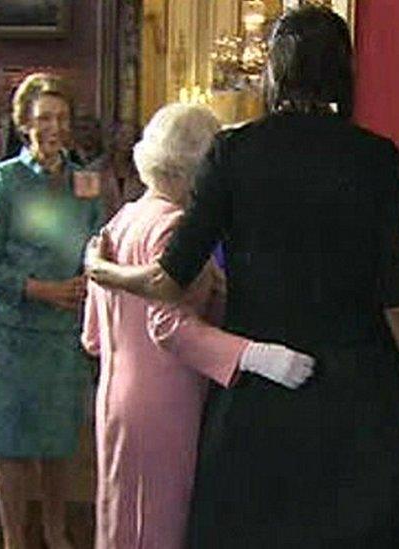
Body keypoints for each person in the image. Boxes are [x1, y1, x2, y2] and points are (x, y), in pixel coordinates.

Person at [85, 7, 399, 546]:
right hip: (360, 393)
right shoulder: (378, 159)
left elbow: (168, 282)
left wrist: (103, 269)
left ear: (275, 69)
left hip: (264, 397)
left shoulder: (234, 151)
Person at [82, 102, 314, 549]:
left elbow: (94, 335)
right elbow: (169, 327)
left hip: (115, 394)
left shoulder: (123, 219)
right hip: (164, 400)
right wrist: (256, 355)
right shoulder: (172, 228)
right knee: (158, 526)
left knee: (121, 525)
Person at [0, 72, 102, 549]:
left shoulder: (86, 180)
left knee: (59, 444)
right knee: (13, 447)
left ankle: (56, 533)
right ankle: (14, 539)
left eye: (62, 117)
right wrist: (41, 289)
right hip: (12, 332)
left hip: (65, 333)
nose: (54, 127)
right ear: (24, 123)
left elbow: (97, 245)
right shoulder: (1, 180)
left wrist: (95, 275)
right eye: (44, 118)